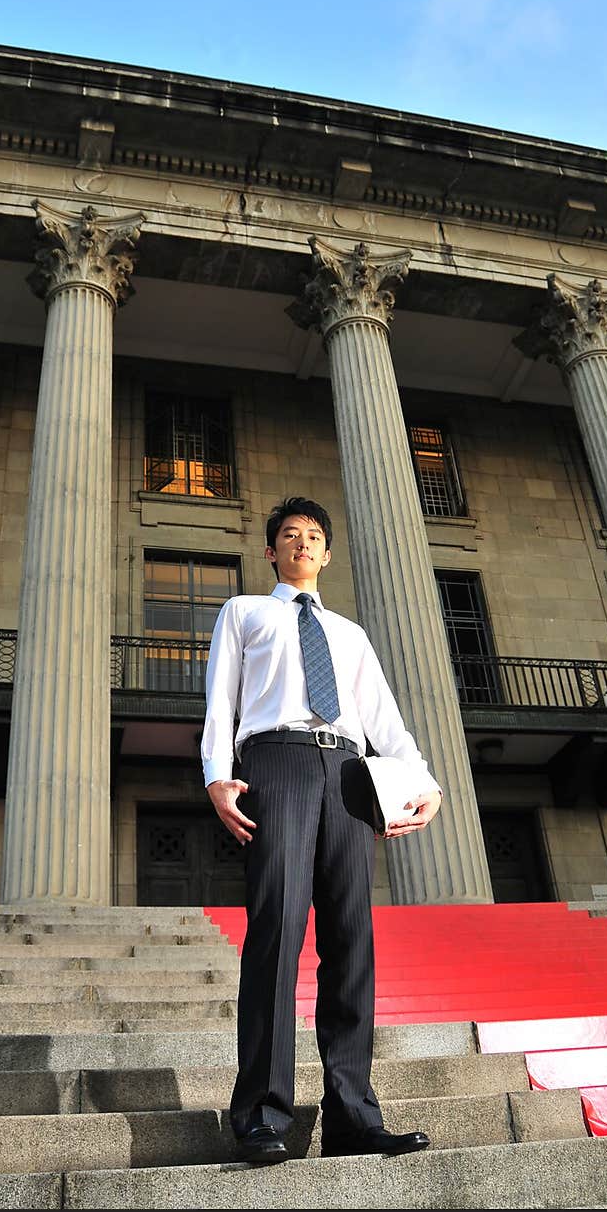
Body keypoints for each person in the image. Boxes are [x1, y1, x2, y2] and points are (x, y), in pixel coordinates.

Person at [201, 495, 443, 1164]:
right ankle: (260, 1112)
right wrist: (217, 774)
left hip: (347, 770)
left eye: (313, 535)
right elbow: (221, 697)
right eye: (289, 535)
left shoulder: (352, 633)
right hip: (275, 760)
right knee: (276, 927)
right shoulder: (245, 612)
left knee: (351, 938)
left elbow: (384, 719)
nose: (302, 543)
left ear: (327, 554)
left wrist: (424, 781)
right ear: (272, 550)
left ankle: (351, 1116)